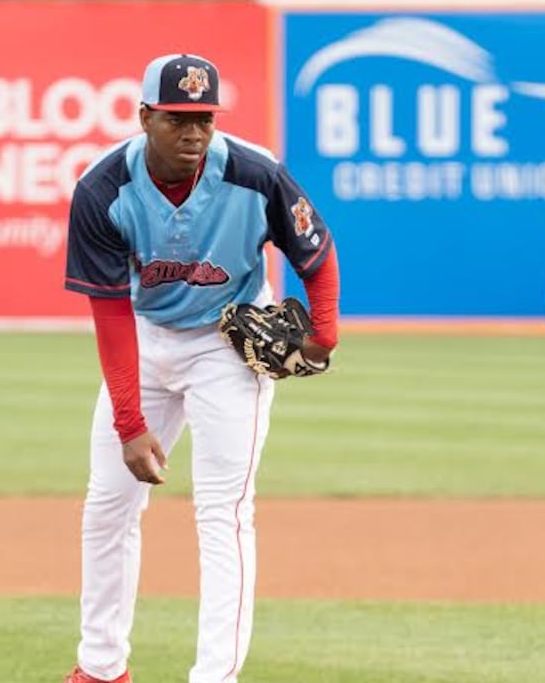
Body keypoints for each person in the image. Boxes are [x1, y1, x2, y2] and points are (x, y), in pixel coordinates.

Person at [62, 53, 340, 683]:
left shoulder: (254, 173)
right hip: (145, 334)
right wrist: (130, 422)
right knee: (108, 501)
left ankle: (215, 677)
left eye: (204, 119)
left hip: (228, 342)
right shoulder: (103, 189)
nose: (193, 133)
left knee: (223, 510)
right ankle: (101, 667)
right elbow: (109, 313)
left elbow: (316, 255)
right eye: (177, 119)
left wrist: (322, 335)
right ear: (144, 118)